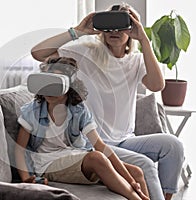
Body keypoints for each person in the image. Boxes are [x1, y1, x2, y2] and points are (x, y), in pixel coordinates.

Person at [30, 3, 184, 200]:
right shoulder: (86, 52)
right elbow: (38, 53)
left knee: (174, 145)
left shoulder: (136, 61)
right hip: (93, 141)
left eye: (122, 26)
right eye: (110, 25)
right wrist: (77, 31)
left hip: (125, 140)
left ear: (132, 29)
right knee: (144, 164)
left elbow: (157, 85)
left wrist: (144, 39)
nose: (115, 31)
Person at [15, 56, 149, 200]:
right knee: (96, 158)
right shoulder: (32, 112)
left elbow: (100, 145)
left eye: (56, 82)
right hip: (48, 164)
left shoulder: (78, 110)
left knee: (137, 172)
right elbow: (19, 149)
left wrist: (132, 181)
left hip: (75, 156)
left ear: (69, 85)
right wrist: (26, 178)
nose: (49, 89)